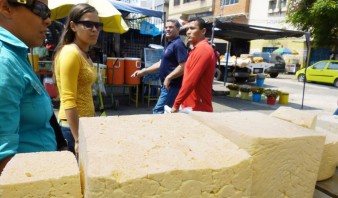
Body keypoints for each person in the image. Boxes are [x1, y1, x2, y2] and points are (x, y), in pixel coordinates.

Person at [0, 0, 56, 174]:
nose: (48, 20)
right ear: (6, 8)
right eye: (40, 9)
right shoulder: (5, 62)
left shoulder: (17, 55)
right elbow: (4, 158)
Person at [53, 4, 101, 156]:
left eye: (97, 25)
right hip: (72, 129)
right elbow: (68, 99)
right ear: (73, 26)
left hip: (84, 126)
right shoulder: (71, 53)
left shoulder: (83, 53)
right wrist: (78, 139)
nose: (94, 29)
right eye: (88, 24)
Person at [131, 19, 188, 114]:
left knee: (159, 111)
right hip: (167, 85)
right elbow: (161, 63)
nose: (168, 29)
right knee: (165, 111)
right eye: (166, 27)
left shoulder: (178, 44)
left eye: (171, 27)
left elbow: (184, 66)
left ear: (178, 29)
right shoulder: (170, 44)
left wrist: (169, 78)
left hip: (172, 86)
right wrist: (143, 72)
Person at [171, 17, 216, 113]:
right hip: (191, 106)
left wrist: (176, 104)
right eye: (187, 29)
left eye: (192, 28)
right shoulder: (195, 49)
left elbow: (190, 81)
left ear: (203, 31)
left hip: (198, 108)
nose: (188, 32)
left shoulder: (203, 49)